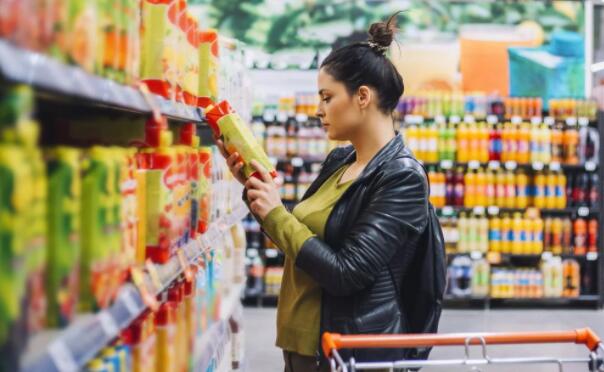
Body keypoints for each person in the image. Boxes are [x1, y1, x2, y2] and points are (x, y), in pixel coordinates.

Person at [217, 13, 431, 372]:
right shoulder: (340, 161)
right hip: (302, 348)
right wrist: (257, 190)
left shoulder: (401, 178)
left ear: (363, 97)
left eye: (327, 97)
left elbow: (347, 273)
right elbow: (300, 239)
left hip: (344, 353)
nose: (318, 110)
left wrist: (275, 213)